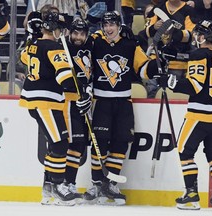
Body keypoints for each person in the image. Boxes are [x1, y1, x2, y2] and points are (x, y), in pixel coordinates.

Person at [158, 20, 212, 211]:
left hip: (199, 115)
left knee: (185, 152)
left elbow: (194, 87)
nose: (195, 36)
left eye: (197, 34)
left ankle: (192, 195)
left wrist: (170, 82)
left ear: (202, 37)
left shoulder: (198, 56)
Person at [83, 10, 160, 206]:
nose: (109, 28)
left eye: (112, 25)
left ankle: (111, 183)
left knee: (120, 143)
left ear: (119, 26)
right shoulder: (95, 42)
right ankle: (96, 183)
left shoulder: (130, 45)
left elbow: (143, 70)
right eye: (106, 25)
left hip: (124, 103)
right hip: (101, 102)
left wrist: (158, 65)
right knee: (99, 144)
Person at [19, 9, 84, 206]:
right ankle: (57, 187)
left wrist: (33, 37)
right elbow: (64, 78)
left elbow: (23, 58)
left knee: (56, 143)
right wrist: (82, 91)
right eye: (61, 29)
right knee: (60, 144)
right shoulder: (55, 48)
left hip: (38, 100)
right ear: (56, 30)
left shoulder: (32, 46)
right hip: (45, 101)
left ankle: (48, 188)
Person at [63, 18, 93, 201]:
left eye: (82, 34)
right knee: (70, 144)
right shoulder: (64, 48)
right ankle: (61, 183)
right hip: (68, 103)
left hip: (84, 102)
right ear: (69, 33)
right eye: (75, 33)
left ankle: (69, 183)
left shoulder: (90, 47)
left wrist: (88, 91)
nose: (78, 37)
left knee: (79, 146)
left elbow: (91, 75)